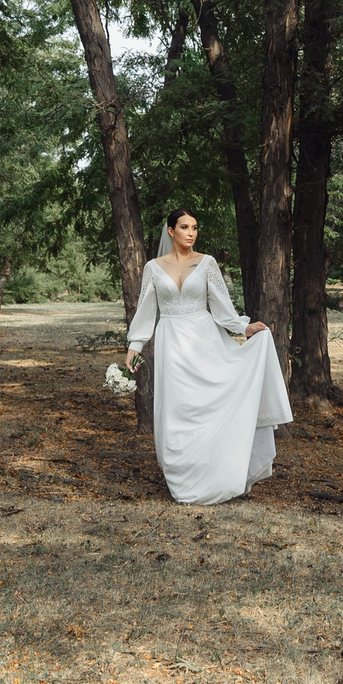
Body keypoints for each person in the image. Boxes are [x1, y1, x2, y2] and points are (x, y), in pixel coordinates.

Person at [124, 207, 293, 504]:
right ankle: (182, 479)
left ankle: (218, 475)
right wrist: (135, 345)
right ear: (171, 231)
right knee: (178, 411)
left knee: (206, 406)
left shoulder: (207, 264)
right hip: (170, 343)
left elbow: (222, 308)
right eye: (185, 227)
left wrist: (244, 326)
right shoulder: (153, 267)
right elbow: (146, 311)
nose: (191, 233)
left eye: (195, 227)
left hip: (204, 341)